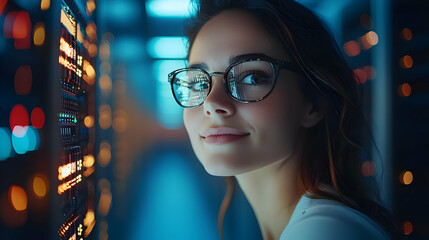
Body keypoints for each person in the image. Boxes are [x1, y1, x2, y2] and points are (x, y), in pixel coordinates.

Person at [168, 0, 398, 239]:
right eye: (197, 82)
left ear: (312, 104)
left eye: (252, 78)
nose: (212, 103)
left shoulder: (325, 232)